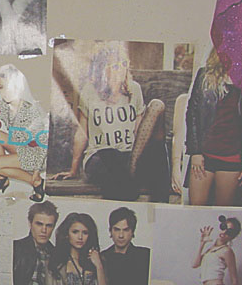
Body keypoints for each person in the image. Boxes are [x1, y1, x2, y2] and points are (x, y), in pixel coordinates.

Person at [52, 42, 170, 202]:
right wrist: (74, 169)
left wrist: (141, 157)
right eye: (114, 66)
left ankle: (136, 185)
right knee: (110, 155)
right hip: (100, 157)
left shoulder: (134, 89)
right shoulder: (89, 91)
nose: (120, 69)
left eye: (123, 64)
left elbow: (139, 131)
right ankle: (129, 184)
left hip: (129, 156)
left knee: (156, 114)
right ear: (101, 69)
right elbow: (82, 132)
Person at [184, 48, 242, 206]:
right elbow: (192, 114)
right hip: (204, 156)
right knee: (196, 211)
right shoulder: (204, 76)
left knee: (223, 213)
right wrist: (195, 152)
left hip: (232, 157)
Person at [0, 64, 48, 202]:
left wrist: (36, 172)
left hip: (36, 154)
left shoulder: (30, 110)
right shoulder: (3, 106)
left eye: (10, 87)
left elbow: (43, 142)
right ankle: (3, 178)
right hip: (21, 147)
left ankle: (36, 182)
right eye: (1, 87)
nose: (6, 92)